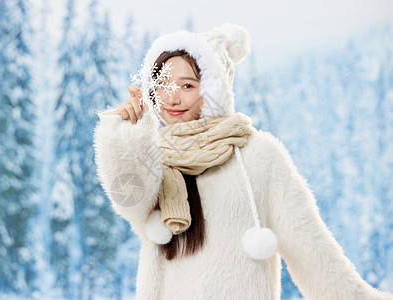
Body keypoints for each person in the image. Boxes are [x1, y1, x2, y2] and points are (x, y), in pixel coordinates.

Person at [93, 23, 392, 299]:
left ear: (211, 90)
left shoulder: (258, 157)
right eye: (164, 85)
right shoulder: (154, 158)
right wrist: (126, 136)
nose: (172, 99)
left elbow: (311, 249)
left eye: (187, 86)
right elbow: (128, 200)